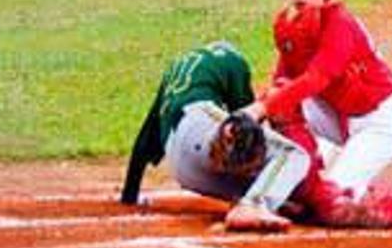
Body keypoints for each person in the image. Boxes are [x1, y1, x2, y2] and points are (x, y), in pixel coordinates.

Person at [238, 0, 392, 227]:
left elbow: (317, 78)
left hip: (376, 122)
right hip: (335, 115)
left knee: (332, 207)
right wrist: (250, 116)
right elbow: (283, 82)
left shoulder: (339, 23)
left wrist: (259, 108)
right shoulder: (287, 24)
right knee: (282, 100)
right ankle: (304, 174)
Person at [119, 41, 311, 232]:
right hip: (199, 125)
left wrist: (130, 194)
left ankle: (259, 200)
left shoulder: (176, 71)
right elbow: (245, 122)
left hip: (183, 170)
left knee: (269, 179)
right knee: (292, 154)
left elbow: (146, 137)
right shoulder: (231, 60)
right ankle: (253, 204)